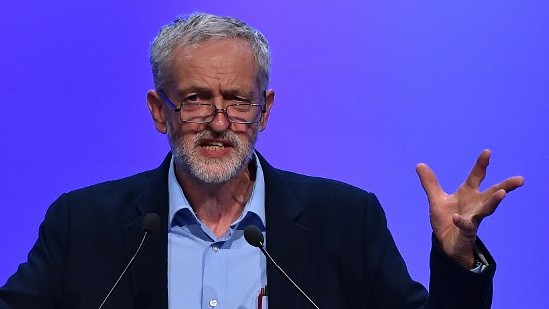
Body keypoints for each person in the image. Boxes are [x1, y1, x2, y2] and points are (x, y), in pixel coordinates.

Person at [0, 12, 524, 309]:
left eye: (239, 100)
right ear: (160, 111)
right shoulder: (83, 223)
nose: (221, 121)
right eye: (197, 99)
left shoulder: (345, 219)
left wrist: (459, 263)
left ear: (266, 110)